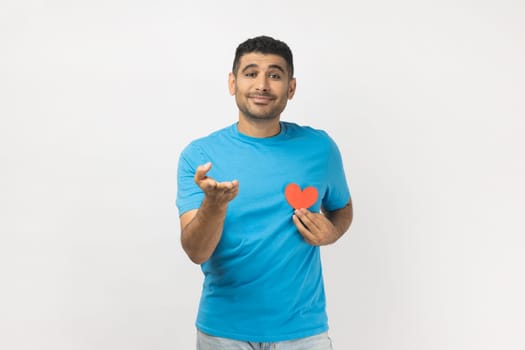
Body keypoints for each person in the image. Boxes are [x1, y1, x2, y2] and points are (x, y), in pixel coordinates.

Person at [176, 35, 353, 350]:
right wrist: (214, 206)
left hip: (303, 332)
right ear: (233, 83)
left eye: (274, 75)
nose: (262, 84)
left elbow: (341, 208)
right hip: (223, 332)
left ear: (291, 87)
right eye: (250, 73)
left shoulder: (320, 148)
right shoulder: (199, 156)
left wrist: (333, 232)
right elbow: (196, 252)